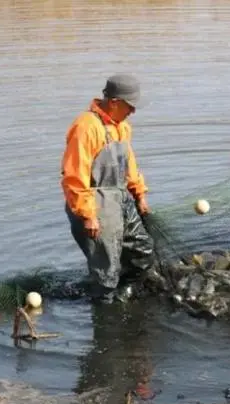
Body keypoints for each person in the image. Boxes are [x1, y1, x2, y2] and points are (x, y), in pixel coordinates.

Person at [61, 74, 167, 304]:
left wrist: (139, 194)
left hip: (119, 198)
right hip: (93, 203)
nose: (133, 112)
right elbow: (74, 176)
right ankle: (106, 317)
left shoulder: (122, 127)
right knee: (106, 274)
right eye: (130, 106)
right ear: (115, 102)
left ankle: (123, 295)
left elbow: (129, 163)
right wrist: (88, 216)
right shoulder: (86, 127)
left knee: (142, 251)